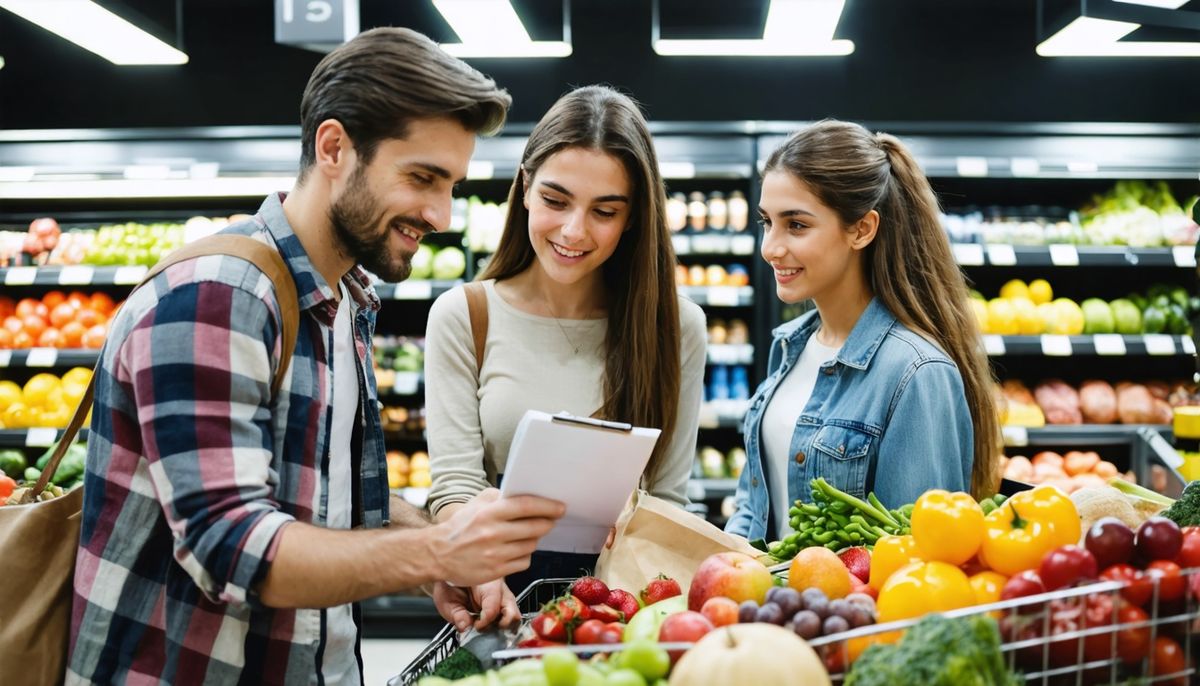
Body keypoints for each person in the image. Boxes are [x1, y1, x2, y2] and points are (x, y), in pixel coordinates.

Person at [68, 28, 566, 685]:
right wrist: (434, 547)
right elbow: (231, 544)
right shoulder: (217, 296)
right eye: (422, 178)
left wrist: (443, 555)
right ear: (334, 147)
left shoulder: (344, 301)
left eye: (452, 185)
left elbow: (327, 502)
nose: (442, 213)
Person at [424, 85, 707, 592]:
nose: (574, 232)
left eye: (605, 211)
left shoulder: (676, 327)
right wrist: (478, 574)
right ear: (526, 187)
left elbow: (667, 500)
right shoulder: (465, 315)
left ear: (633, 217)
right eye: (556, 200)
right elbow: (456, 487)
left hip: (623, 600)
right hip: (495, 589)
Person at [725, 120, 1000, 543]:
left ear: (862, 229)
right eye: (767, 222)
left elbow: (919, 554)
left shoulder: (917, 373)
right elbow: (755, 503)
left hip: (854, 610)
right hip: (772, 606)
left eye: (796, 224)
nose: (770, 247)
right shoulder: (790, 346)